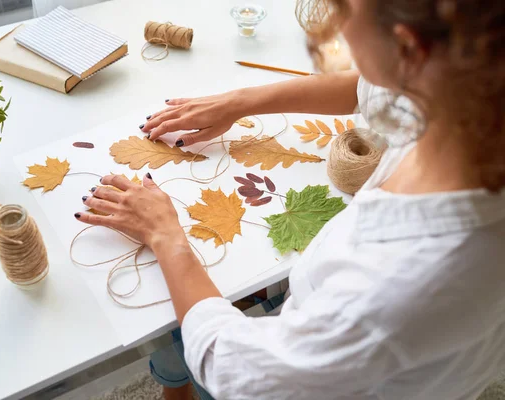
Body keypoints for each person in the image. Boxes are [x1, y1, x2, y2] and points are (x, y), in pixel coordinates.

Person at [75, 0, 505, 398]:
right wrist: (241, 101)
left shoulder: (394, 285)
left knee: (178, 334)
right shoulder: (469, 95)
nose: (335, 24)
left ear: (407, 47)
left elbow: (231, 366)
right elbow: (372, 89)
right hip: (406, 356)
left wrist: (166, 236)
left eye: (345, 9)